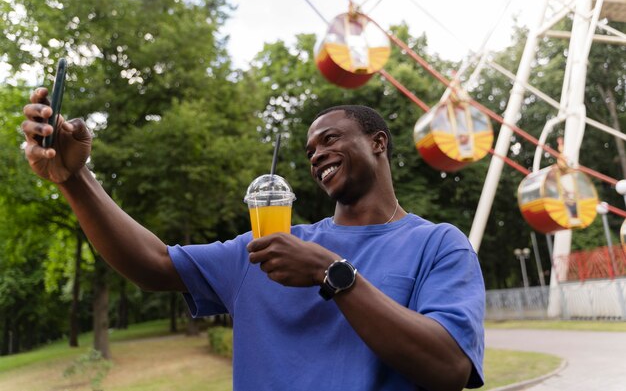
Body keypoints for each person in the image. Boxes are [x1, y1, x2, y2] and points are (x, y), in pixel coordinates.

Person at [22, 92, 485, 391]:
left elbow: (449, 369)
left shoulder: (439, 244)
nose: (317, 153)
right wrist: (76, 179)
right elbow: (153, 262)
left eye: (330, 139)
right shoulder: (268, 248)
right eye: (309, 151)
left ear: (378, 142)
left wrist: (334, 275)